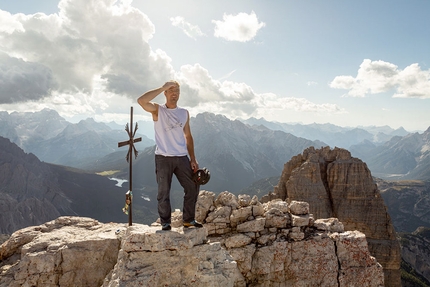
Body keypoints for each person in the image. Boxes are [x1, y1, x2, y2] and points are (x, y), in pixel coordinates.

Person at [137, 81, 203, 231]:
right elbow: (141, 101)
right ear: (165, 93)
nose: (174, 93)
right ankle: (165, 222)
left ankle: (188, 220)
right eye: (171, 90)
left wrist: (192, 158)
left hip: (181, 157)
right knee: (163, 191)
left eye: (177, 91)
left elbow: (188, 136)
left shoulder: (184, 113)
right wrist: (161, 87)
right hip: (163, 157)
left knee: (193, 186)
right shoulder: (157, 110)